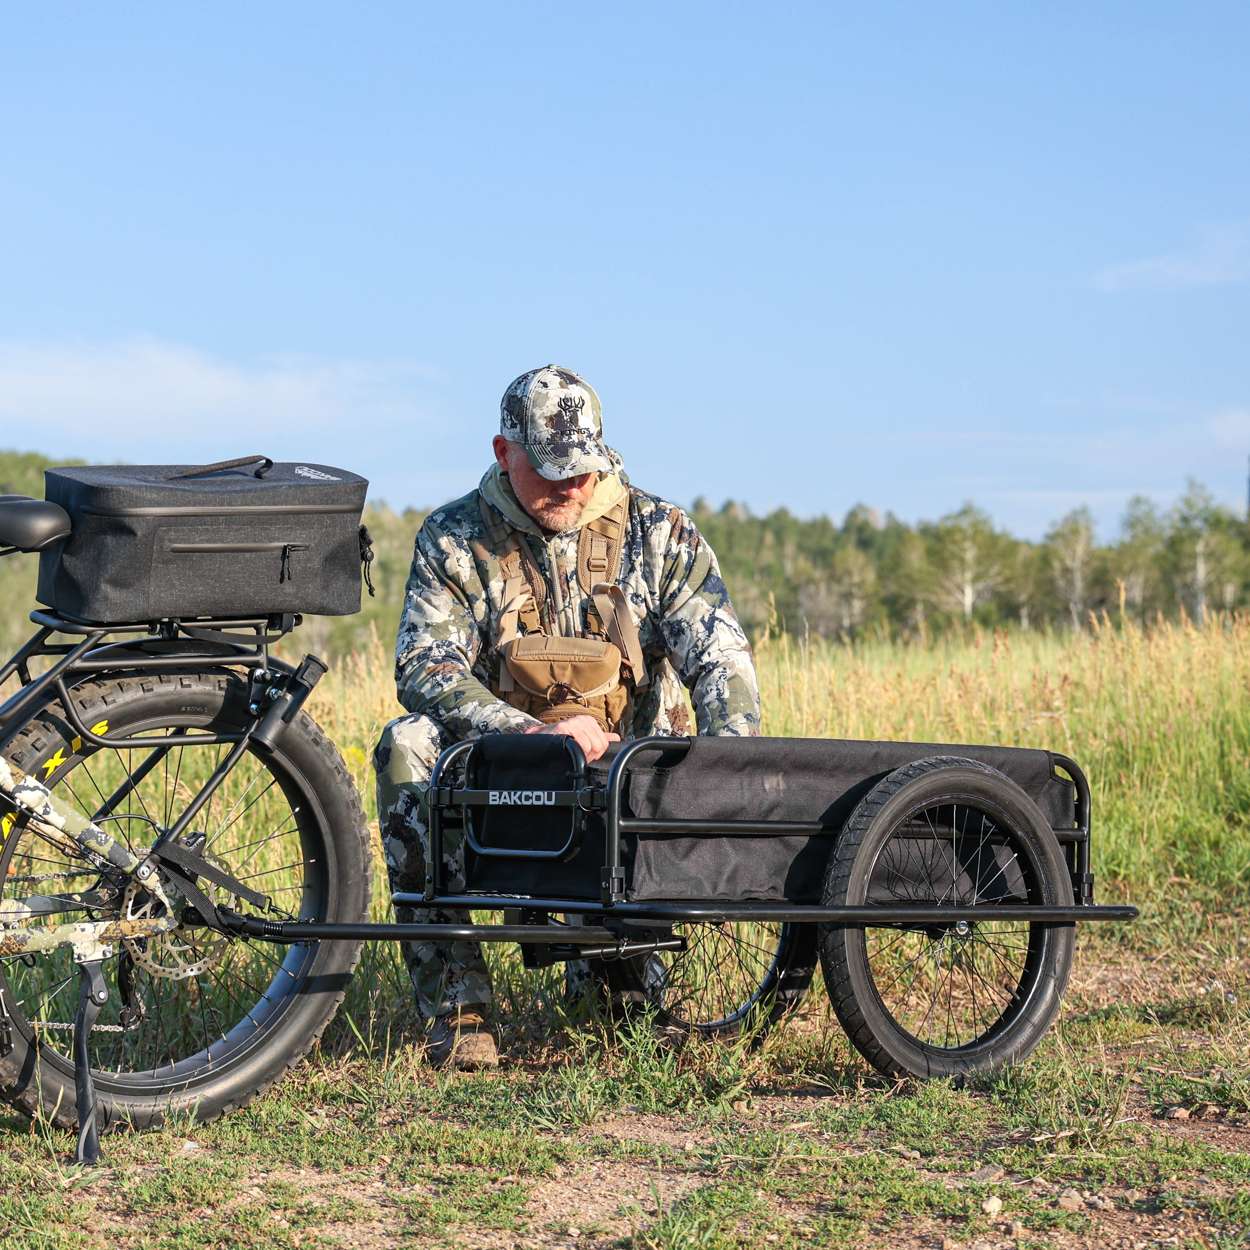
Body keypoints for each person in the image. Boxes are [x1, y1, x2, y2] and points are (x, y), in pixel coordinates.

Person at [373, 364, 760, 1068]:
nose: (571, 488)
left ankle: (622, 983)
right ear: (504, 453)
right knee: (406, 744)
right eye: (550, 471)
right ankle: (459, 1008)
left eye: (583, 470)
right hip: (501, 768)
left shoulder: (659, 530)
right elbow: (425, 667)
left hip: (625, 770)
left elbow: (721, 660)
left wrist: (730, 773)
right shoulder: (454, 537)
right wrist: (532, 734)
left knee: (618, 1027)